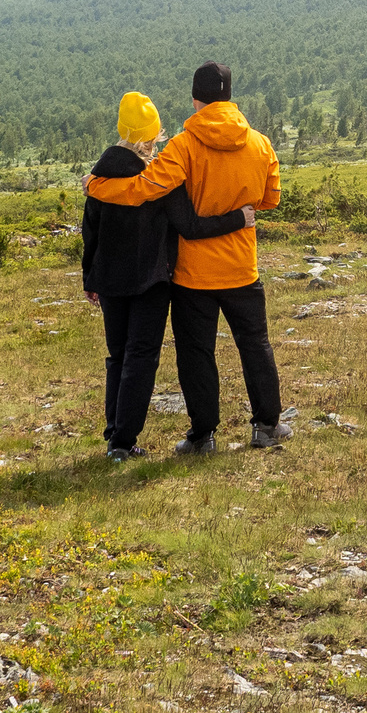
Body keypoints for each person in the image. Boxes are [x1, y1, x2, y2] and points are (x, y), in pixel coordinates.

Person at [81, 90, 254, 460]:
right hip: (151, 281)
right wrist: (238, 218)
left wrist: (89, 279)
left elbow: (90, 232)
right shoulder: (159, 177)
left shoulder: (98, 178)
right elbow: (189, 225)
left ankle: (114, 434)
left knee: (117, 355)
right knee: (141, 356)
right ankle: (122, 443)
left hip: (109, 280)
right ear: (154, 134)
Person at [134, 62, 286, 454]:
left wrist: (98, 185)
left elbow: (146, 188)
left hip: (193, 275)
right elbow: (270, 199)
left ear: (195, 99)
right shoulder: (261, 143)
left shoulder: (181, 147)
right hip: (242, 268)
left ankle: (203, 436)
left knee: (196, 353)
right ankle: (267, 426)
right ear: (230, 97)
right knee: (255, 345)